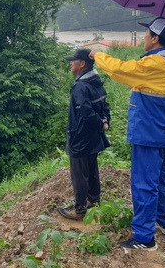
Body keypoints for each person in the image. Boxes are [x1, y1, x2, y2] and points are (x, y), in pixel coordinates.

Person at [89, 17, 165, 251]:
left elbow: (121, 70)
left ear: (155, 39)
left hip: (148, 134)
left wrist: (96, 55)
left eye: (147, 33)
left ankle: (144, 237)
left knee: (144, 184)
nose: (144, 37)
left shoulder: (154, 64)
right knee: (162, 177)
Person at [58, 48, 111, 220]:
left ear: (82, 64)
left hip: (80, 136)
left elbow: (86, 113)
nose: (71, 64)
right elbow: (104, 105)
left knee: (79, 173)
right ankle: (93, 201)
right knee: (92, 169)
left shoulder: (80, 87)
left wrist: (98, 123)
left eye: (73, 61)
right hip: (94, 137)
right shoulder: (96, 82)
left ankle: (79, 209)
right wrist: (104, 122)